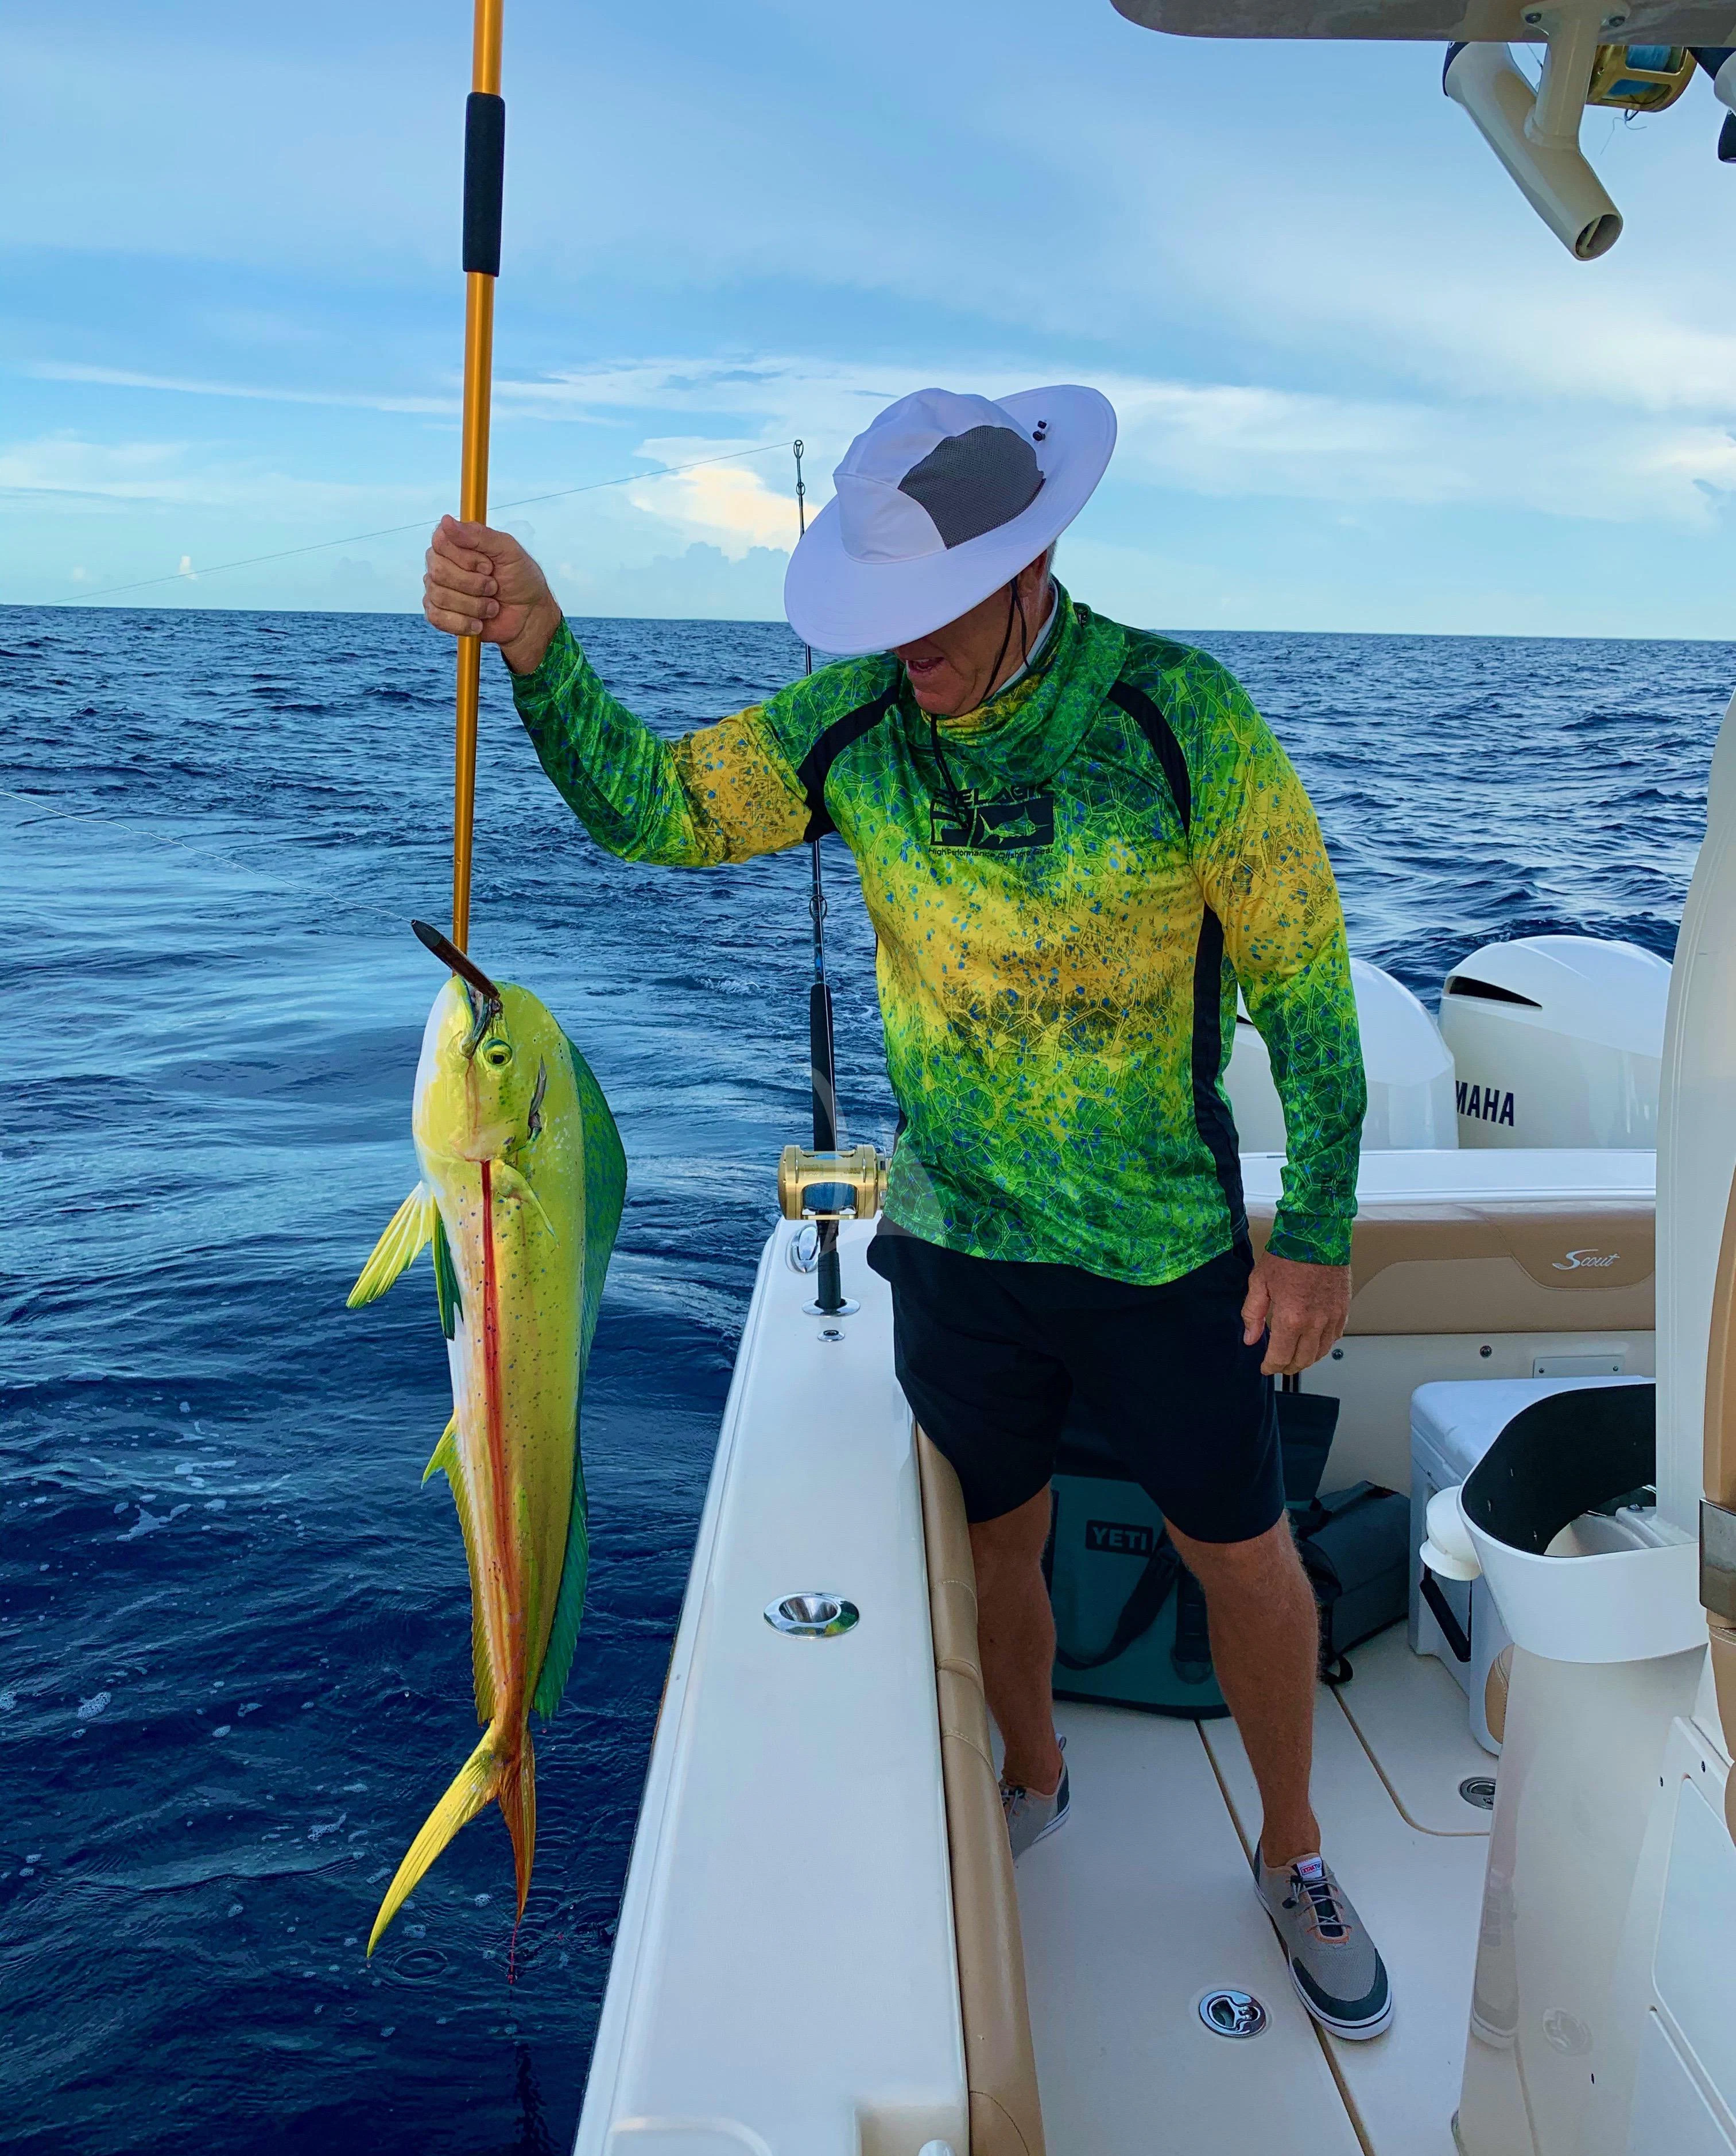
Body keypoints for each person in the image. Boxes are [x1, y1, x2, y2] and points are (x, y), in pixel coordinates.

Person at [421, 385, 1390, 2041]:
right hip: (952, 1239)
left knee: (1243, 1557)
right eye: (881, 615)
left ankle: (1293, 1848)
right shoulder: (853, 723)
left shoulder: (1181, 718)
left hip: (1163, 1255)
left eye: (935, 612)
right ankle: (1034, 1773)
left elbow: (1305, 982)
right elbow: (654, 811)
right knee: (993, 1541)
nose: (907, 648)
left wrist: (1315, 1223)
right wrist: (537, 646)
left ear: (1035, 567)